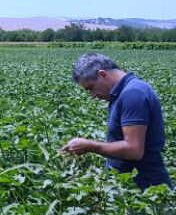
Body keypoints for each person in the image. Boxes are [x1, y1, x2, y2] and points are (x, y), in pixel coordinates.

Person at [61, 53, 172, 190]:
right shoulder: (124, 93)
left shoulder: (133, 94)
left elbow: (134, 150)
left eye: (90, 88)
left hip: (147, 192)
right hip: (134, 189)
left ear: (102, 75)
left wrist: (90, 146)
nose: (93, 95)